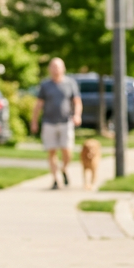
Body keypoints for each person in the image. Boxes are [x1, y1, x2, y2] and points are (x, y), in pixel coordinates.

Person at [33, 58, 82, 190]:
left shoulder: (70, 83)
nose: (56, 69)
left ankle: (64, 168)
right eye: (53, 67)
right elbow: (38, 104)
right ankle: (55, 180)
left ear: (63, 68)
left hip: (66, 121)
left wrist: (77, 115)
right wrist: (34, 121)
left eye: (58, 67)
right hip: (49, 122)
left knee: (67, 151)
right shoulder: (45, 85)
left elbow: (77, 101)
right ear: (49, 69)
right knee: (51, 152)